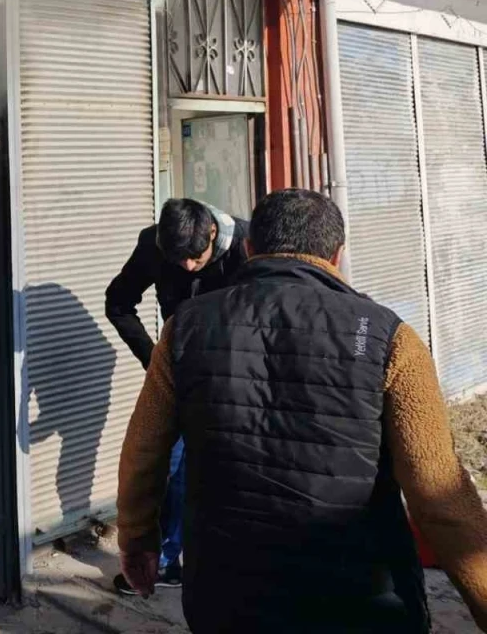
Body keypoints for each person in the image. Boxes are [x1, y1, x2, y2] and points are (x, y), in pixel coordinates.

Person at [117, 188, 487, 634]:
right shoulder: (388, 338)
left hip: (225, 595)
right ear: (337, 254)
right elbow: (438, 494)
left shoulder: (183, 330)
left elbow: (142, 451)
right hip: (360, 602)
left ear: (249, 248)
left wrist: (136, 539)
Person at [105, 198, 248, 595]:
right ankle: (164, 562)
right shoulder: (152, 244)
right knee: (167, 468)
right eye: (178, 260)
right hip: (182, 379)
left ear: (213, 234)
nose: (186, 266)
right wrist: (155, 360)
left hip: (237, 380)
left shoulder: (248, 247)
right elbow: (119, 303)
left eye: (195, 258)